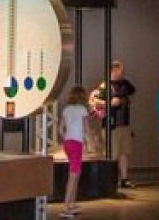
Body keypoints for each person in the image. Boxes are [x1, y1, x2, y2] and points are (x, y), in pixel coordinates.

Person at [90, 60, 136, 189]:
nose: (120, 73)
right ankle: (111, 179)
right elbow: (94, 101)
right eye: (118, 70)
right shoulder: (104, 86)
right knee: (112, 153)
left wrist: (122, 100)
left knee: (124, 152)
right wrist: (109, 103)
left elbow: (131, 94)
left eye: (121, 70)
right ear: (112, 70)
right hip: (111, 125)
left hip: (124, 123)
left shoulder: (125, 84)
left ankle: (124, 179)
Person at [59, 85, 89, 216]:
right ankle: (66, 206)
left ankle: (71, 203)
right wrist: (90, 142)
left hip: (68, 142)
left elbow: (61, 129)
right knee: (73, 174)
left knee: (76, 171)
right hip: (77, 142)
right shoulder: (83, 110)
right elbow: (86, 129)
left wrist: (67, 137)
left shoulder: (66, 109)